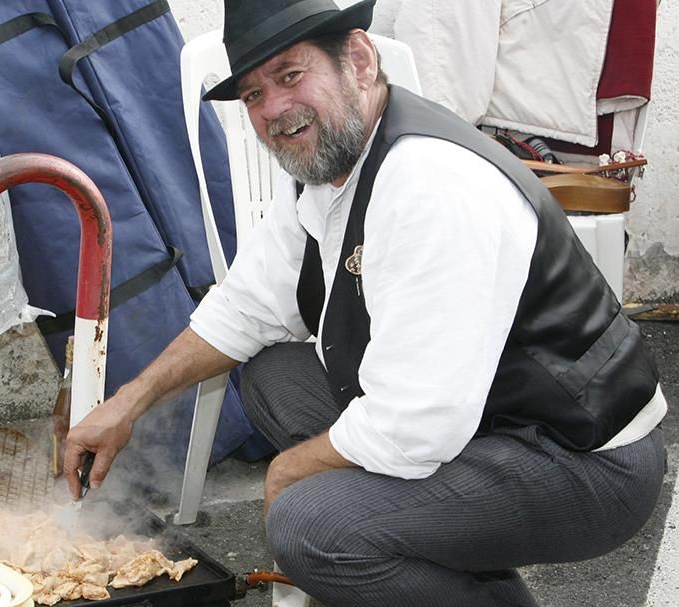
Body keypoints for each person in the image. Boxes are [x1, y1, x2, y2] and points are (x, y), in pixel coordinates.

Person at [63, 0, 668, 604]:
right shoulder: (331, 166)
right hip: (482, 421)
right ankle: (455, 570)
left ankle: (396, 544)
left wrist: (289, 473)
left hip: (580, 458)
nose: (273, 109)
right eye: (252, 96)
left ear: (357, 59)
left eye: (291, 76)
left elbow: (414, 424)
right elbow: (246, 306)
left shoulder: (429, 185)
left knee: (309, 525)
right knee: (272, 371)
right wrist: (128, 403)